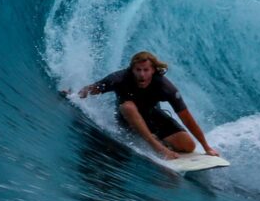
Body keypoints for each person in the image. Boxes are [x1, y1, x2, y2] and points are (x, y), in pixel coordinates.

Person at [75, 51, 220, 161]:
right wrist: (74, 95)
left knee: (188, 146)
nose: (142, 75)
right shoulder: (119, 79)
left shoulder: (165, 87)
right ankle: (158, 147)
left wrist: (206, 147)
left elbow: (187, 118)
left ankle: (157, 138)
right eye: (138, 70)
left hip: (152, 117)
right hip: (128, 120)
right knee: (128, 106)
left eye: (146, 70)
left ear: (153, 70)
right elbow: (93, 88)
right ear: (132, 70)